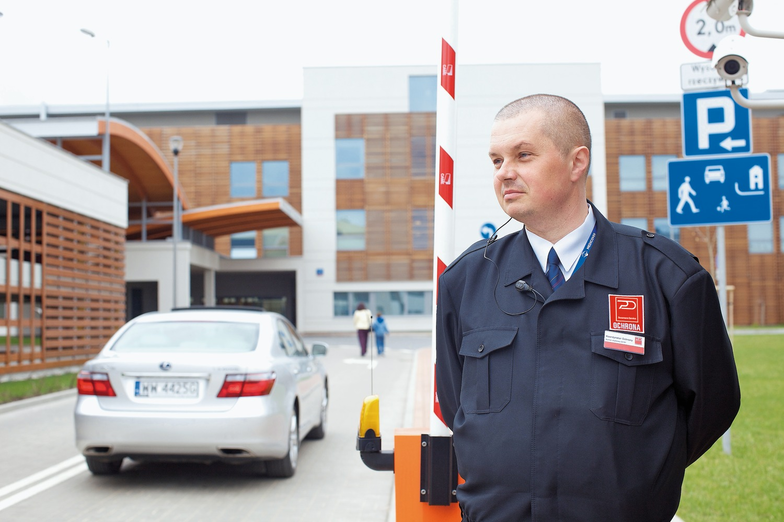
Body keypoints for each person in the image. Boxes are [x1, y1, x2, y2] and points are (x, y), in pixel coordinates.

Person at [435, 94, 740, 522]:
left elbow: (713, 403)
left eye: (523, 155)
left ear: (578, 162)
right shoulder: (465, 281)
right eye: (496, 160)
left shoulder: (667, 276)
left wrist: (642, 477)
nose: (505, 173)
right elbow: (455, 404)